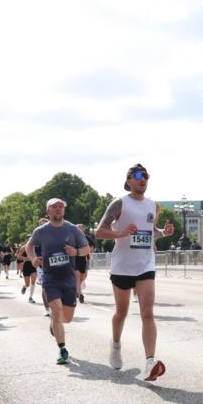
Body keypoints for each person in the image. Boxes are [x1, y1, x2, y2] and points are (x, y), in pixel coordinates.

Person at [95, 163, 174, 381]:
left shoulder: (153, 206)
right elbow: (100, 232)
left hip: (145, 264)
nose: (143, 180)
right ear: (129, 180)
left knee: (147, 312)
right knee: (121, 312)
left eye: (146, 176)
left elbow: (150, 232)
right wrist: (120, 233)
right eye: (138, 176)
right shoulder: (119, 203)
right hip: (122, 265)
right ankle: (116, 345)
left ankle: (150, 361)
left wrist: (163, 233)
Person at [27, 199, 91, 365]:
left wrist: (75, 251)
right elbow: (29, 246)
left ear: (64, 211)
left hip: (69, 279)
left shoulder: (72, 229)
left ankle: (55, 325)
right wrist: (33, 259)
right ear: (47, 211)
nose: (58, 209)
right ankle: (62, 350)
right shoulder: (41, 231)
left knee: (67, 318)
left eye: (61, 207)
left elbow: (87, 249)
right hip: (50, 278)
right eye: (54, 207)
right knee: (56, 310)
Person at [75, 223, 96, 303]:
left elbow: (92, 247)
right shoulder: (72, 237)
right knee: (77, 275)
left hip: (84, 259)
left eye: (81, 228)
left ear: (83, 229)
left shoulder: (86, 238)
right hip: (75, 259)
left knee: (82, 277)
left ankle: (77, 289)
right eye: (78, 228)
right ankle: (79, 293)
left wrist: (88, 250)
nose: (79, 229)